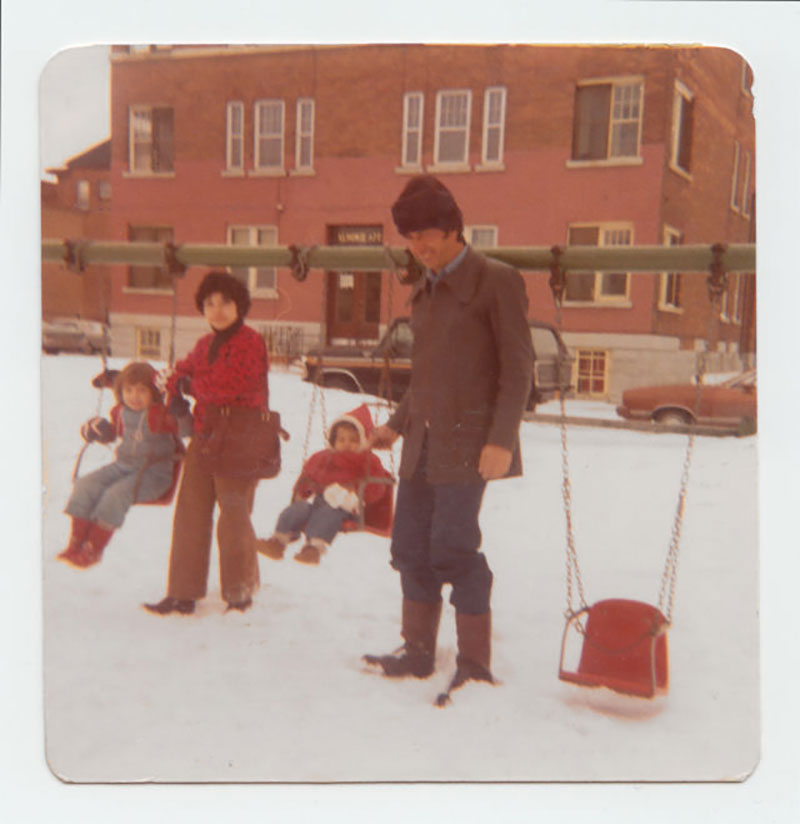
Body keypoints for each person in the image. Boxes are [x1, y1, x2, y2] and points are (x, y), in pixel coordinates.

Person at [364, 175, 535, 701]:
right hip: (423, 442)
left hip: (471, 442)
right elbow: (427, 375)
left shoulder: (496, 281)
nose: (419, 246)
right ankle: (417, 651)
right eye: (410, 237)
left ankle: (475, 664)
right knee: (409, 545)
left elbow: (518, 368)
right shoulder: (426, 289)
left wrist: (501, 440)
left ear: (454, 227)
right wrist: (396, 422)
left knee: (454, 547)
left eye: (428, 234)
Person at [143, 271, 268, 616]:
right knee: (191, 512)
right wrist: (173, 379)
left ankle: (239, 591)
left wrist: (189, 385)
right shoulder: (202, 345)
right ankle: (183, 592)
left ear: (239, 306)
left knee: (233, 514)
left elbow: (230, 385)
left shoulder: (250, 342)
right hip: (205, 436)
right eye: (209, 304)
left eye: (225, 302)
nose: (217, 310)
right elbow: (180, 372)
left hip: (239, 438)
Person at [58, 362, 184, 569]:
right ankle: (76, 542)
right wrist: (98, 431)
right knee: (85, 485)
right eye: (128, 390)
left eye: (142, 390)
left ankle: (93, 549)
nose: (134, 396)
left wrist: (175, 402)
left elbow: (181, 426)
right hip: (123, 466)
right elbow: (112, 433)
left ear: (154, 392)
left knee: (114, 495)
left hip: (153, 475)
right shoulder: (120, 412)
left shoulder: (160, 414)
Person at [257, 403, 393, 565]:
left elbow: (377, 487)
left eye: (354, 440)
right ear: (333, 440)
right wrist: (302, 491)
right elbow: (309, 474)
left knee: (329, 513)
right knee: (298, 508)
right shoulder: (324, 457)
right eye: (341, 439)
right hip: (319, 501)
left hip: (347, 507)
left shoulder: (367, 460)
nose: (347, 444)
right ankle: (278, 542)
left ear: (363, 441)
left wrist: (356, 491)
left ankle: (314, 549)